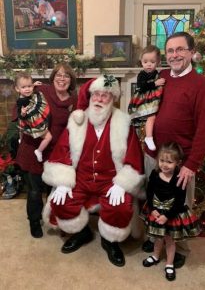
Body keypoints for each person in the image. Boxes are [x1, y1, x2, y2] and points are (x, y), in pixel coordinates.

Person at [42, 74, 144, 267]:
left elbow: (134, 157)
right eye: (95, 94)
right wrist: (63, 181)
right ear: (90, 97)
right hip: (81, 179)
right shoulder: (77, 121)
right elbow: (62, 150)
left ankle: (110, 241)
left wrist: (123, 184)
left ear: (112, 99)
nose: (98, 99)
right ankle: (82, 233)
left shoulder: (123, 123)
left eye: (105, 95)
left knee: (121, 207)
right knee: (59, 201)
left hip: (110, 182)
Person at [142, 32, 205, 268]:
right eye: (170, 50)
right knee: (154, 200)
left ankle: (180, 247)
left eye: (180, 50)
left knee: (180, 206)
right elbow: (146, 103)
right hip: (154, 154)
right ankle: (156, 240)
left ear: (192, 52)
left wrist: (192, 164)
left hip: (181, 162)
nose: (174, 55)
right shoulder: (162, 77)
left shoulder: (201, 85)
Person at [14, 63, 77, 238]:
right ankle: (34, 221)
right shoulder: (41, 91)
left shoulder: (74, 100)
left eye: (66, 76)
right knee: (34, 191)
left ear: (70, 81)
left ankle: (52, 217)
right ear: (53, 77)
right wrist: (22, 118)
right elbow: (20, 106)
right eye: (58, 75)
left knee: (53, 189)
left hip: (57, 153)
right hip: (33, 148)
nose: (62, 79)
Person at [141, 142, 201, 281]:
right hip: (156, 210)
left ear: (178, 162)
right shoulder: (155, 173)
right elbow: (149, 193)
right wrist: (153, 209)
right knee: (157, 237)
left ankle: (169, 264)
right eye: (162, 160)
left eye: (169, 162)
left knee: (169, 240)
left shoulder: (179, 177)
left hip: (171, 213)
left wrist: (167, 216)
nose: (164, 165)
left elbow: (180, 201)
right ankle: (155, 256)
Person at [128, 45, 165, 150]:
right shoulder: (142, 74)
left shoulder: (157, 73)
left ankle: (146, 137)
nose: (148, 65)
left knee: (151, 118)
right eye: (145, 62)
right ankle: (148, 138)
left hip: (152, 100)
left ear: (158, 62)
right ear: (141, 62)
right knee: (150, 117)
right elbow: (141, 87)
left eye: (152, 62)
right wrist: (155, 83)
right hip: (142, 100)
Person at [15, 72, 52, 162]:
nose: (27, 89)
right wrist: (23, 113)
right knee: (49, 137)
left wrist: (33, 85)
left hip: (26, 121)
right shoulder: (21, 101)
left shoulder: (26, 92)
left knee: (21, 128)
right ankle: (39, 151)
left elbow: (28, 90)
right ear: (17, 89)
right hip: (30, 121)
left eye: (29, 86)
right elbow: (20, 115)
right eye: (23, 87)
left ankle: (21, 138)